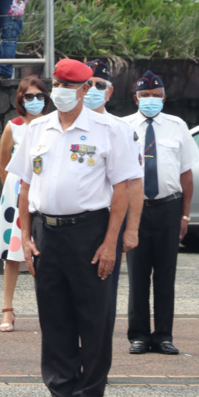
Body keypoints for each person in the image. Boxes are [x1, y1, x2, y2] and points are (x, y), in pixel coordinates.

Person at [6, 58, 141, 397]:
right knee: (54, 321)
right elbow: (24, 186)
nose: (62, 92)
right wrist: (26, 237)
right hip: (46, 232)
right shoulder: (37, 128)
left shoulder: (110, 130)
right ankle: (62, 396)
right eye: (58, 85)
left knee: (94, 321)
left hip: (90, 233)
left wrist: (112, 242)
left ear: (85, 90)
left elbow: (123, 189)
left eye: (70, 86)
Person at [123, 71, 199, 356]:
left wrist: (185, 216)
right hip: (136, 209)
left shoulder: (177, 126)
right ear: (136, 98)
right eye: (145, 96)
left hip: (169, 207)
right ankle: (139, 336)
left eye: (156, 96)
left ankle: (164, 335)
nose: (150, 101)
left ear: (164, 99)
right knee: (138, 274)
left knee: (166, 274)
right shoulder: (123, 127)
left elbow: (186, 173)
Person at [83, 59, 145, 338]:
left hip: (104, 224)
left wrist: (130, 230)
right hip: (66, 225)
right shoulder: (58, 125)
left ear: (109, 93)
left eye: (100, 85)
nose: (93, 89)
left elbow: (133, 184)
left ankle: (94, 364)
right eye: (88, 84)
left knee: (100, 297)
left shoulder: (120, 130)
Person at [0, 75, 50, 332]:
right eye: (29, 96)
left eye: (39, 96)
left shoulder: (52, 124)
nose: (34, 101)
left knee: (47, 250)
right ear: (21, 99)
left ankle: (50, 309)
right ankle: (7, 309)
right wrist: (12, 190)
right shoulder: (12, 126)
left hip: (46, 190)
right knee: (12, 252)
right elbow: (3, 165)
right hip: (16, 193)